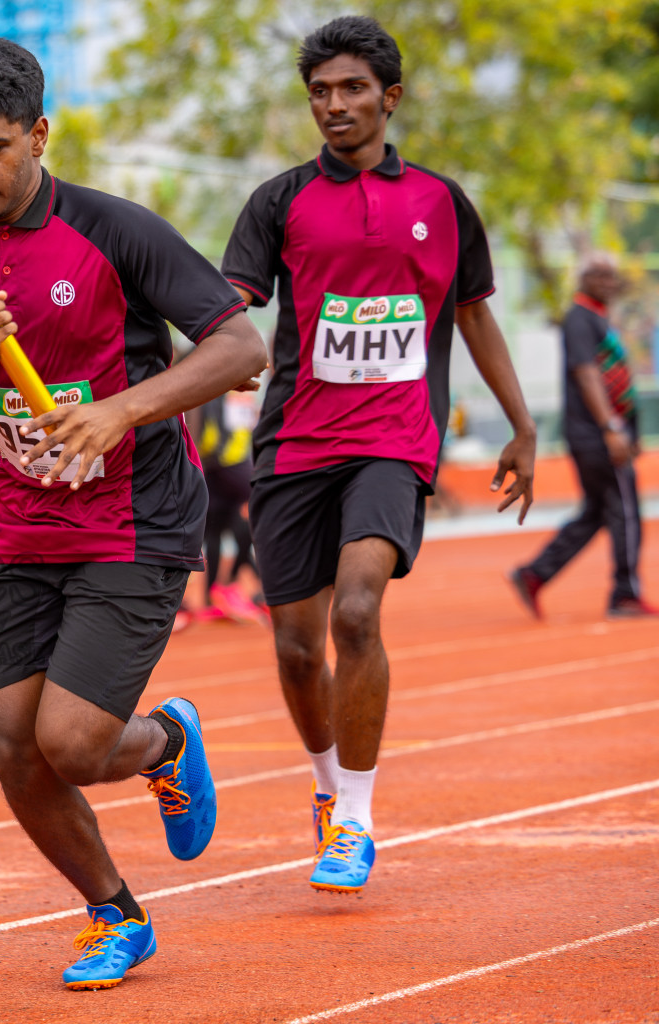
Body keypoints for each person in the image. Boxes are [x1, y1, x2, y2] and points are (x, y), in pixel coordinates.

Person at [0, 38, 267, 989]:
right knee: (13, 746)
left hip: (133, 519)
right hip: (14, 527)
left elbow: (241, 348)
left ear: (39, 135)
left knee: (75, 743)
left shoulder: (115, 232)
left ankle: (166, 741)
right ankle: (114, 913)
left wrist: (118, 410)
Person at [220, 16, 537, 895]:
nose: (335, 105)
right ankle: (328, 790)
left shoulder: (440, 201)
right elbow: (226, 310)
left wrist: (522, 423)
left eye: (352, 88)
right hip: (294, 443)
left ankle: (355, 819)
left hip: (394, 440)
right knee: (294, 648)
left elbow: (473, 313)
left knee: (356, 613)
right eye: (320, 91)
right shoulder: (279, 201)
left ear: (389, 98)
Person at [511, 253, 651, 619]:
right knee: (625, 511)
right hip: (596, 435)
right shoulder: (579, 318)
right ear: (583, 278)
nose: (608, 281)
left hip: (602, 434)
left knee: (596, 512)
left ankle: (534, 574)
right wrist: (611, 427)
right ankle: (625, 593)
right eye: (599, 275)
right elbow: (586, 373)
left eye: (612, 275)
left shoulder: (597, 318)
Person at [189, 391, 265, 624]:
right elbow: (213, 434)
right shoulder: (215, 392)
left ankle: (221, 592)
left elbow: (248, 429)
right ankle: (223, 592)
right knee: (225, 530)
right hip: (226, 469)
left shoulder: (239, 391)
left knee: (229, 529)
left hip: (221, 469)